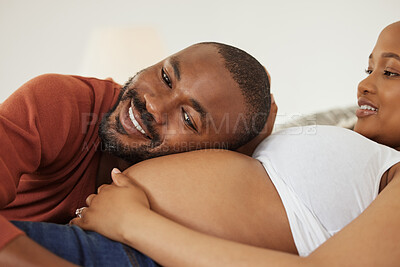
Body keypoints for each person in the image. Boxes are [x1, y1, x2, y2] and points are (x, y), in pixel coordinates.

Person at [65, 21, 400, 266]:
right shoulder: (357, 151)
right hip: (104, 235)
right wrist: (260, 124)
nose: (363, 84)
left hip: (129, 250)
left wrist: (132, 223)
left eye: (391, 72)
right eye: (368, 68)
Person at [0, 42, 272, 265]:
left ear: (209, 156)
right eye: (166, 77)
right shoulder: (60, 102)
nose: (153, 104)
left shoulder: (196, 189)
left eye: (187, 119)